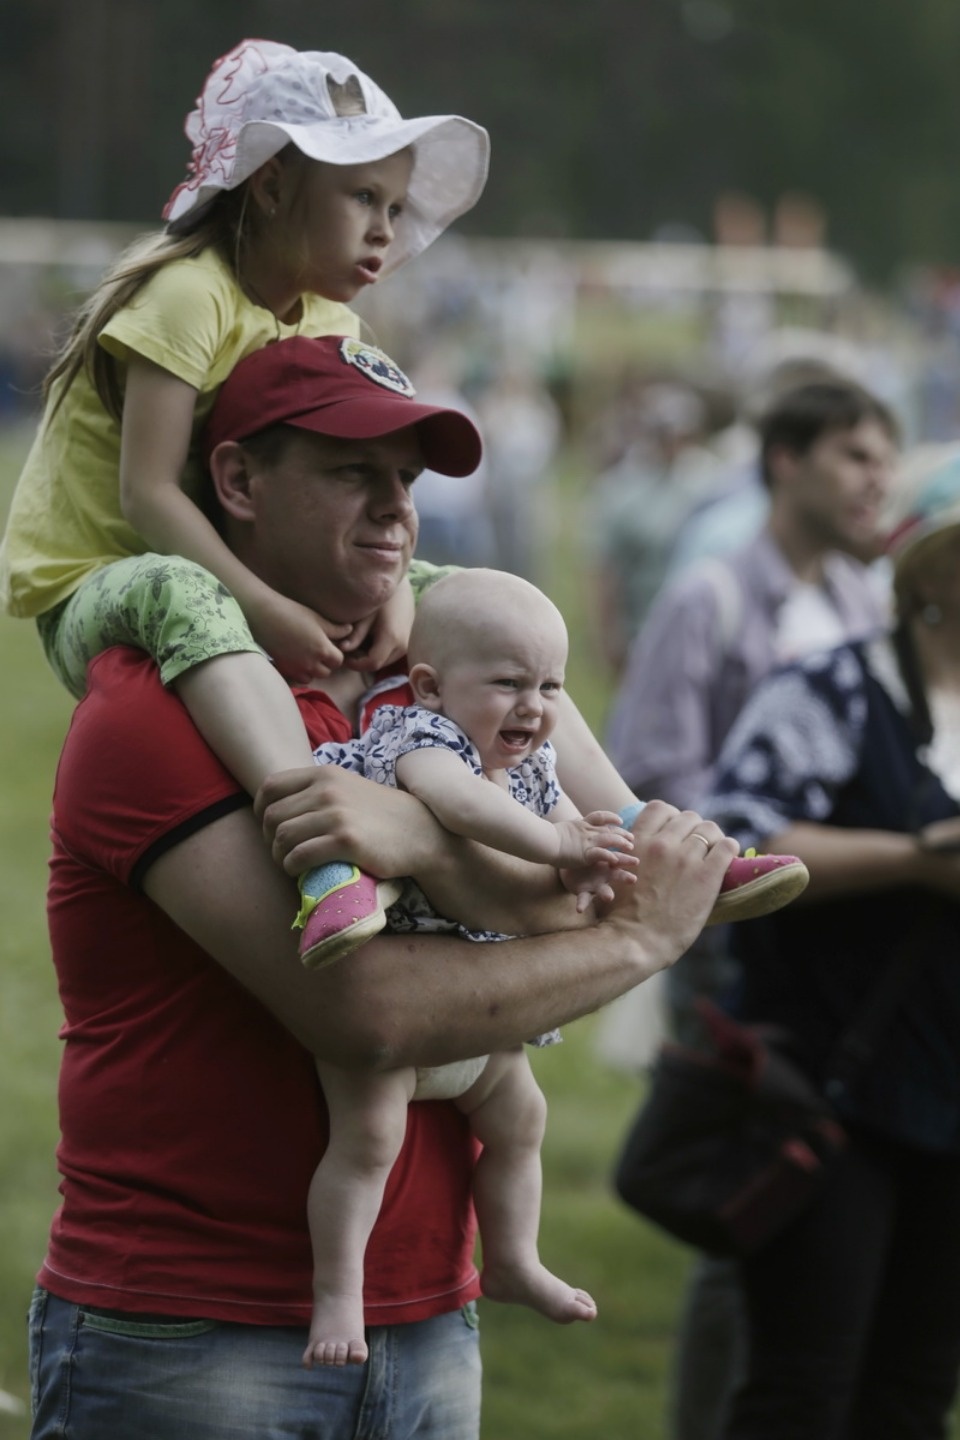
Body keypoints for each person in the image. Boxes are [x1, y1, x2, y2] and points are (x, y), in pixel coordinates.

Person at [29, 331, 740, 1440]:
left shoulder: (442, 706)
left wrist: (419, 838)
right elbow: (365, 1011)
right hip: (192, 1335)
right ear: (238, 481)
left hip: (427, 1320)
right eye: (352, 472)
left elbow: (570, 879)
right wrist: (643, 941)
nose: (396, 509)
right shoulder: (159, 702)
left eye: (406, 479)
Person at [0, 37, 489, 966]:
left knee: (462, 591)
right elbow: (146, 497)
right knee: (181, 595)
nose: (385, 229)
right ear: (266, 184)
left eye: (393, 204)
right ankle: (322, 850)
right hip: (100, 582)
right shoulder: (188, 296)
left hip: (207, 567)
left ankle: (620, 815)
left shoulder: (331, 320)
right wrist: (265, 605)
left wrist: (395, 597)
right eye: (360, 198)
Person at [605, 377, 898, 1440]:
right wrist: (759, 835)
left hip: (844, 964)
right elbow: (642, 769)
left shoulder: (869, 603)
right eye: (856, 456)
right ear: (787, 460)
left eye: (884, 459)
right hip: (734, 952)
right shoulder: (712, 598)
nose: (879, 481)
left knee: (836, 1222)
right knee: (751, 1215)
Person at [301, 567, 638, 1367]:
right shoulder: (420, 739)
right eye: (509, 682)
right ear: (429, 684)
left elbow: (554, 809)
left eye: (551, 684)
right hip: (404, 989)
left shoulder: (527, 755)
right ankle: (336, 1294)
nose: (534, 705)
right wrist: (560, 847)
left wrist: (584, 859)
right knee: (367, 1141)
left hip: (475, 1004)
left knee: (521, 1122)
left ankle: (513, 1261)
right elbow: (459, 805)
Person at [697, 442, 960, 1439]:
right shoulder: (835, 690)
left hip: (951, 1098)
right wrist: (913, 859)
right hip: (829, 1091)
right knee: (805, 1389)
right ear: (932, 572)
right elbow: (737, 843)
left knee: (916, 1391)